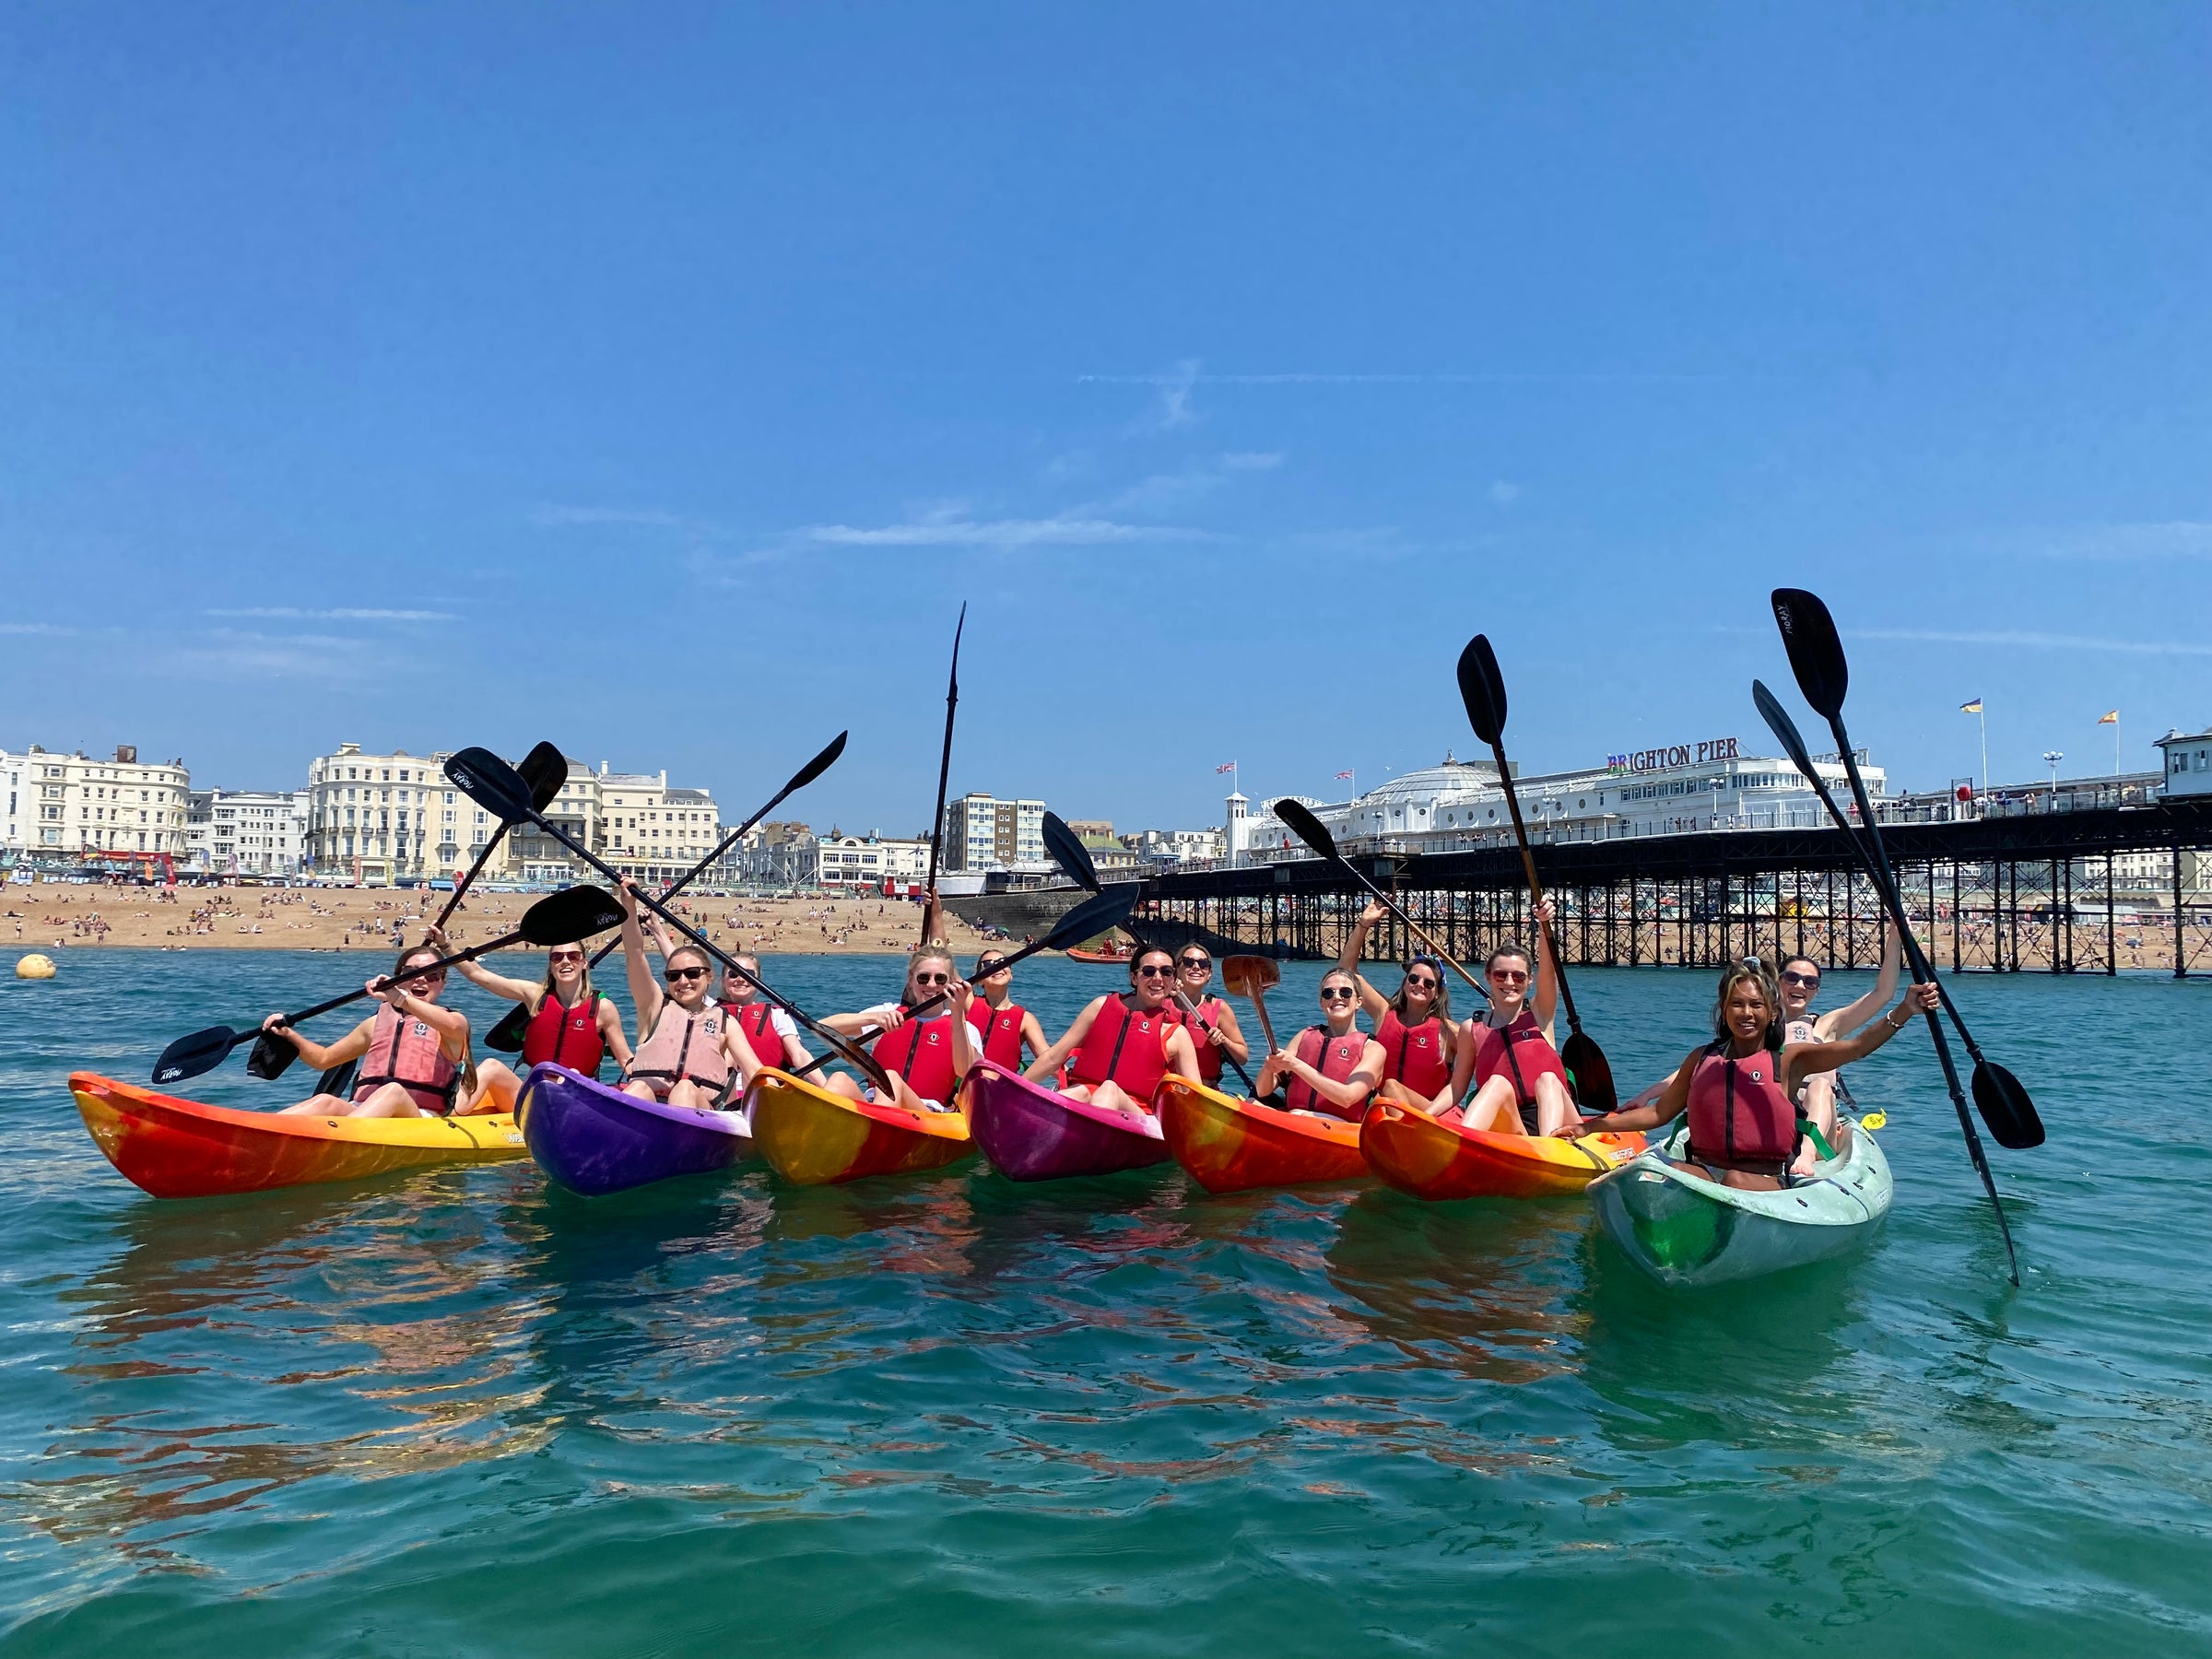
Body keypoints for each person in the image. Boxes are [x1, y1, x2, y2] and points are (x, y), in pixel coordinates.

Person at [1560, 959, 1938, 1190]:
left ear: (1771, 1012)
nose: (1746, 1013)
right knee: (1666, 1173)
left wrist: (1904, 1010)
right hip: (1705, 1171)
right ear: (1723, 1010)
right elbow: (1659, 1115)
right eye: (1736, 1004)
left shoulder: (1789, 1059)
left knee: (1735, 1180)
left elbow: (1856, 1048)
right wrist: (1589, 1127)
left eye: (1756, 1004)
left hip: (1763, 1179)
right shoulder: (1702, 1058)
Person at [265, 945, 492, 1119]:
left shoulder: (453, 1022)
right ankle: (265, 1129)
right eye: (411, 973)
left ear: (442, 984)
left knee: (392, 1091)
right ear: (398, 979)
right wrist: (288, 1034)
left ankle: (343, 1139)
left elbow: (452, 1027)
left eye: (432, 975)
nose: (421, 979)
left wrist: (400, 999)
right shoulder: (375, 1023)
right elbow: (324, 1060)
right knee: (325, 1101)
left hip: (421, 1116)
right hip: (363, 1111)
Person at [428, 924, 631, 1109]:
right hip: (533, 1093)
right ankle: (451, 1118)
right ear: (551, 966)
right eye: (557, 957)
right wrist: (445, 945)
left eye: (573, 956)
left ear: (584, 963)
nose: (565, 962)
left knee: (569, 1078)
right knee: (491, 1065)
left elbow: (625, 1059)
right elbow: (478, 975)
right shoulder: (534, 996)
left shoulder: (603, 1008)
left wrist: (655, 1077)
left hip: (577, 1096)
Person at [618, 878, 763, 1110]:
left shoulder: (726, 1022)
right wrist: (628, 904)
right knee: (638, 1088)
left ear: (709, 977)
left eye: (692, 973)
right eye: (673, 976)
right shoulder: (654, 1005)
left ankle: (676, 1142)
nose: (683, 981)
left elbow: (755, 1071)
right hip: (650, 1107)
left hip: (699, 1114)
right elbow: (634, 953)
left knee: (684, 1089)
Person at [1775, 924, 1901, 1170]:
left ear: (1816, 990)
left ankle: (1807, 1155)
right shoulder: (1758, 1026)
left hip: (1817, 1136)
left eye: (1809, 982)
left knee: (1820, 1086)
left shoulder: (1826, 1027)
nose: (1800, 986)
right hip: (1774, 1123)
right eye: (1792, 978)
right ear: (1777, 982)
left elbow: (1883, 993)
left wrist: (1895, 939)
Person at [1448, 897, 1577, 1135]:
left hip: (1558, 1116)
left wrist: (1544, 925)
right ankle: (1460, 1143)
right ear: (1488, 977)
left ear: (1529, 981)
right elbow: (1456, 1089)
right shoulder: (1471, 1028)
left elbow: (1549, 972)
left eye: (1518, 977)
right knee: (1496, 1083)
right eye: (1500, 975)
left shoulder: (1540, 1015)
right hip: (1513, 1123)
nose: (1509, 983)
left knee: (1548, 1079)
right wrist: (1425, 1116)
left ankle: (1547, 1147)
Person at [1025, 946, 1203, 1115]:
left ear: (1173, 980)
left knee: (1108, 1090)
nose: (1158, 978)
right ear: (1134, 978)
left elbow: (1195, 1096)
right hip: (1086, 1097)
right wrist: (1009, 1088)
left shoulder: (1176, 1034)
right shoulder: (1100, 1007)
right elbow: (1054, 1057)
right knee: (1078, 1092)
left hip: (1136, 1115)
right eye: (1148, 971)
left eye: (1166, 972)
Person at [822, 944, 980, 1114]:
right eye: (923, 978)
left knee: (891, 1078)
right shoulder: (888, 1013)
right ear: (911, 979)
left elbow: (964, 1070)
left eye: (940, 979)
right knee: (838, 1079)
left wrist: (958, 1014)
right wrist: (872, 1018)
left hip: (927, 1114)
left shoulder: (964, 1027)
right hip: (875, 1103)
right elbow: (822, 1027)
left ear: (949, 982)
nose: (932, 984)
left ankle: (878, 1133)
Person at [1336, 900, 1456, 1112]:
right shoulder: (1384, 1013)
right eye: (1414, 979)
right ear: (1405, 981)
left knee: (1391, 1086)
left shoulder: (1450, 1031)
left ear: (1437, 992)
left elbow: (1490, 1044)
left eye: (1428, 983)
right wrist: (1363, 925)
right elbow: (1347, 971)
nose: (1420, 985)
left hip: (1428, 1114)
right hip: (1382, 1109)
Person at [1253, 967, 1386, 1121]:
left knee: (1302, 1116)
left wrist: (1295, 1065)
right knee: (1253, 1102)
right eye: (1328, 993)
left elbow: (1347, 1098)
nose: (1336, 997)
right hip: (1296, 1118)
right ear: (1321, 1002)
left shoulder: (1372, 1049)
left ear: (1358, 1002)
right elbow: (1263, 1091)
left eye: (1345, 992)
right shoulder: (1304, 1036)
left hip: (1339, 1128)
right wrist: (1268, 1068)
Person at [1160, 944, 1250, 1091]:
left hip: (1203, 1092)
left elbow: (1242, 1058)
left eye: (1203, 964)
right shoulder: (1160, 1002)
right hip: (1164, 1089)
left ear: (1209, 974)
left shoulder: (1219, 1009)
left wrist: (1224, 1040)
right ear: (1177, 969)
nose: (1196, 967)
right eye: (1189, 962)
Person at [715, 951, 812, 1072]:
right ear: (723, 981)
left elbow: (799, 1054)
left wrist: (822, 1086)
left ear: (758, 980)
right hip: (724, 1086)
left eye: (747, 974)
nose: (740, 979)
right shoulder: (710, 1013)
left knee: (839, 1078)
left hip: (764, 1086)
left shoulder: (777, 1015)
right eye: (733, 974)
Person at [967, 947, 1050, 1073]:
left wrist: (1070, 1076)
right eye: (988, 964)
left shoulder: (1025, 1019)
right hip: (965, 1086)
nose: (997, 967)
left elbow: (1048, 1058)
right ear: (980, 980)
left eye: (1003, 962)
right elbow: (946, 966)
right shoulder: (968, 1002)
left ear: (1011, 974)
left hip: (1000, 1088)